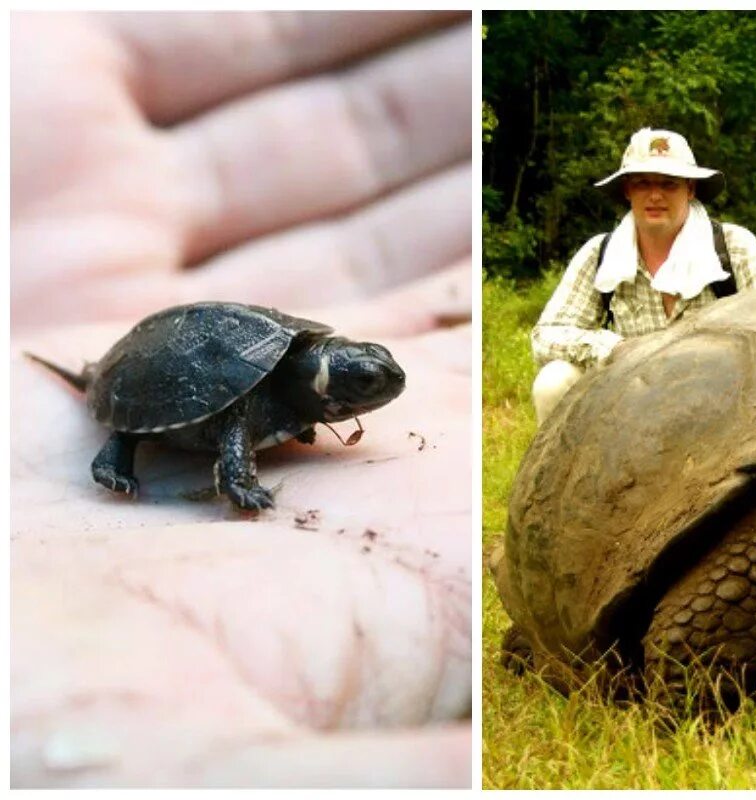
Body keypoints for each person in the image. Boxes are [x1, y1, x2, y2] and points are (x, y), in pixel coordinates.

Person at [11, 11, 470, 787]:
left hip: (227, 352)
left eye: (369, 378)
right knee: (189, 426)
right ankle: (116, 449)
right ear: (320, 380)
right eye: (357, 384)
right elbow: (235, 418)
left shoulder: (295, 363)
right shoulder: (260, 395)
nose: (374, 392)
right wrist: (241, 479)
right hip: (145, 370)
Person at [530, 128, 756, 422]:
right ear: (627, 190)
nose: (655, 195)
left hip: (720, 401)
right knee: (553, 381)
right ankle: (569, 469)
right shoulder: (601, 253)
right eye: (642, 183)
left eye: (668, 184)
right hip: (630, 399)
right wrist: (615, 350)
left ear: (690, 189)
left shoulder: (735, 248)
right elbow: (546, 336)